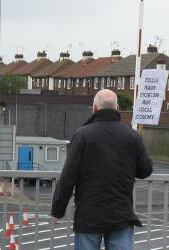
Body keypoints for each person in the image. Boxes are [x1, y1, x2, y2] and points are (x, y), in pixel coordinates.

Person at [50, 89, 153, 250]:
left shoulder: (82, 135)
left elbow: (68, 177)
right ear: (117, 108)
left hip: (89, 216)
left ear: (94, 108)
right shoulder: (132, 136)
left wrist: (57, 210)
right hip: (121, 215)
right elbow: (145, 170)